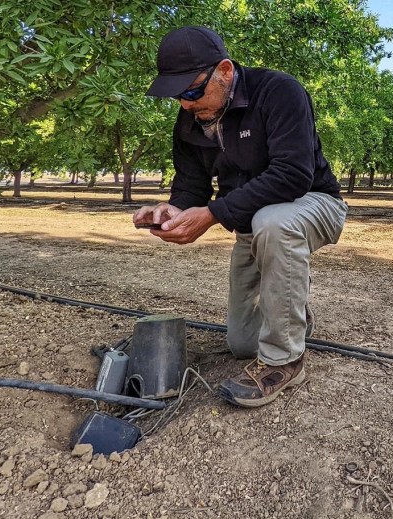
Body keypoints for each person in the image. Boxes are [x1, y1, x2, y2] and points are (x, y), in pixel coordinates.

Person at [134, 26, 347, 408]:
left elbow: (292, 175)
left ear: (225, 71)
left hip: (314, 203)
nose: (185, 104)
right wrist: (173, 209)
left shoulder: (279, 91)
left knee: (274, 222)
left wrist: (214, 214)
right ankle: (293, 310)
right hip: (253, 224)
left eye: (192, 91)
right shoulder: (188, 120)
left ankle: (285, 361)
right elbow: (191, 185)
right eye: (177, 95)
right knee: (243, 343)